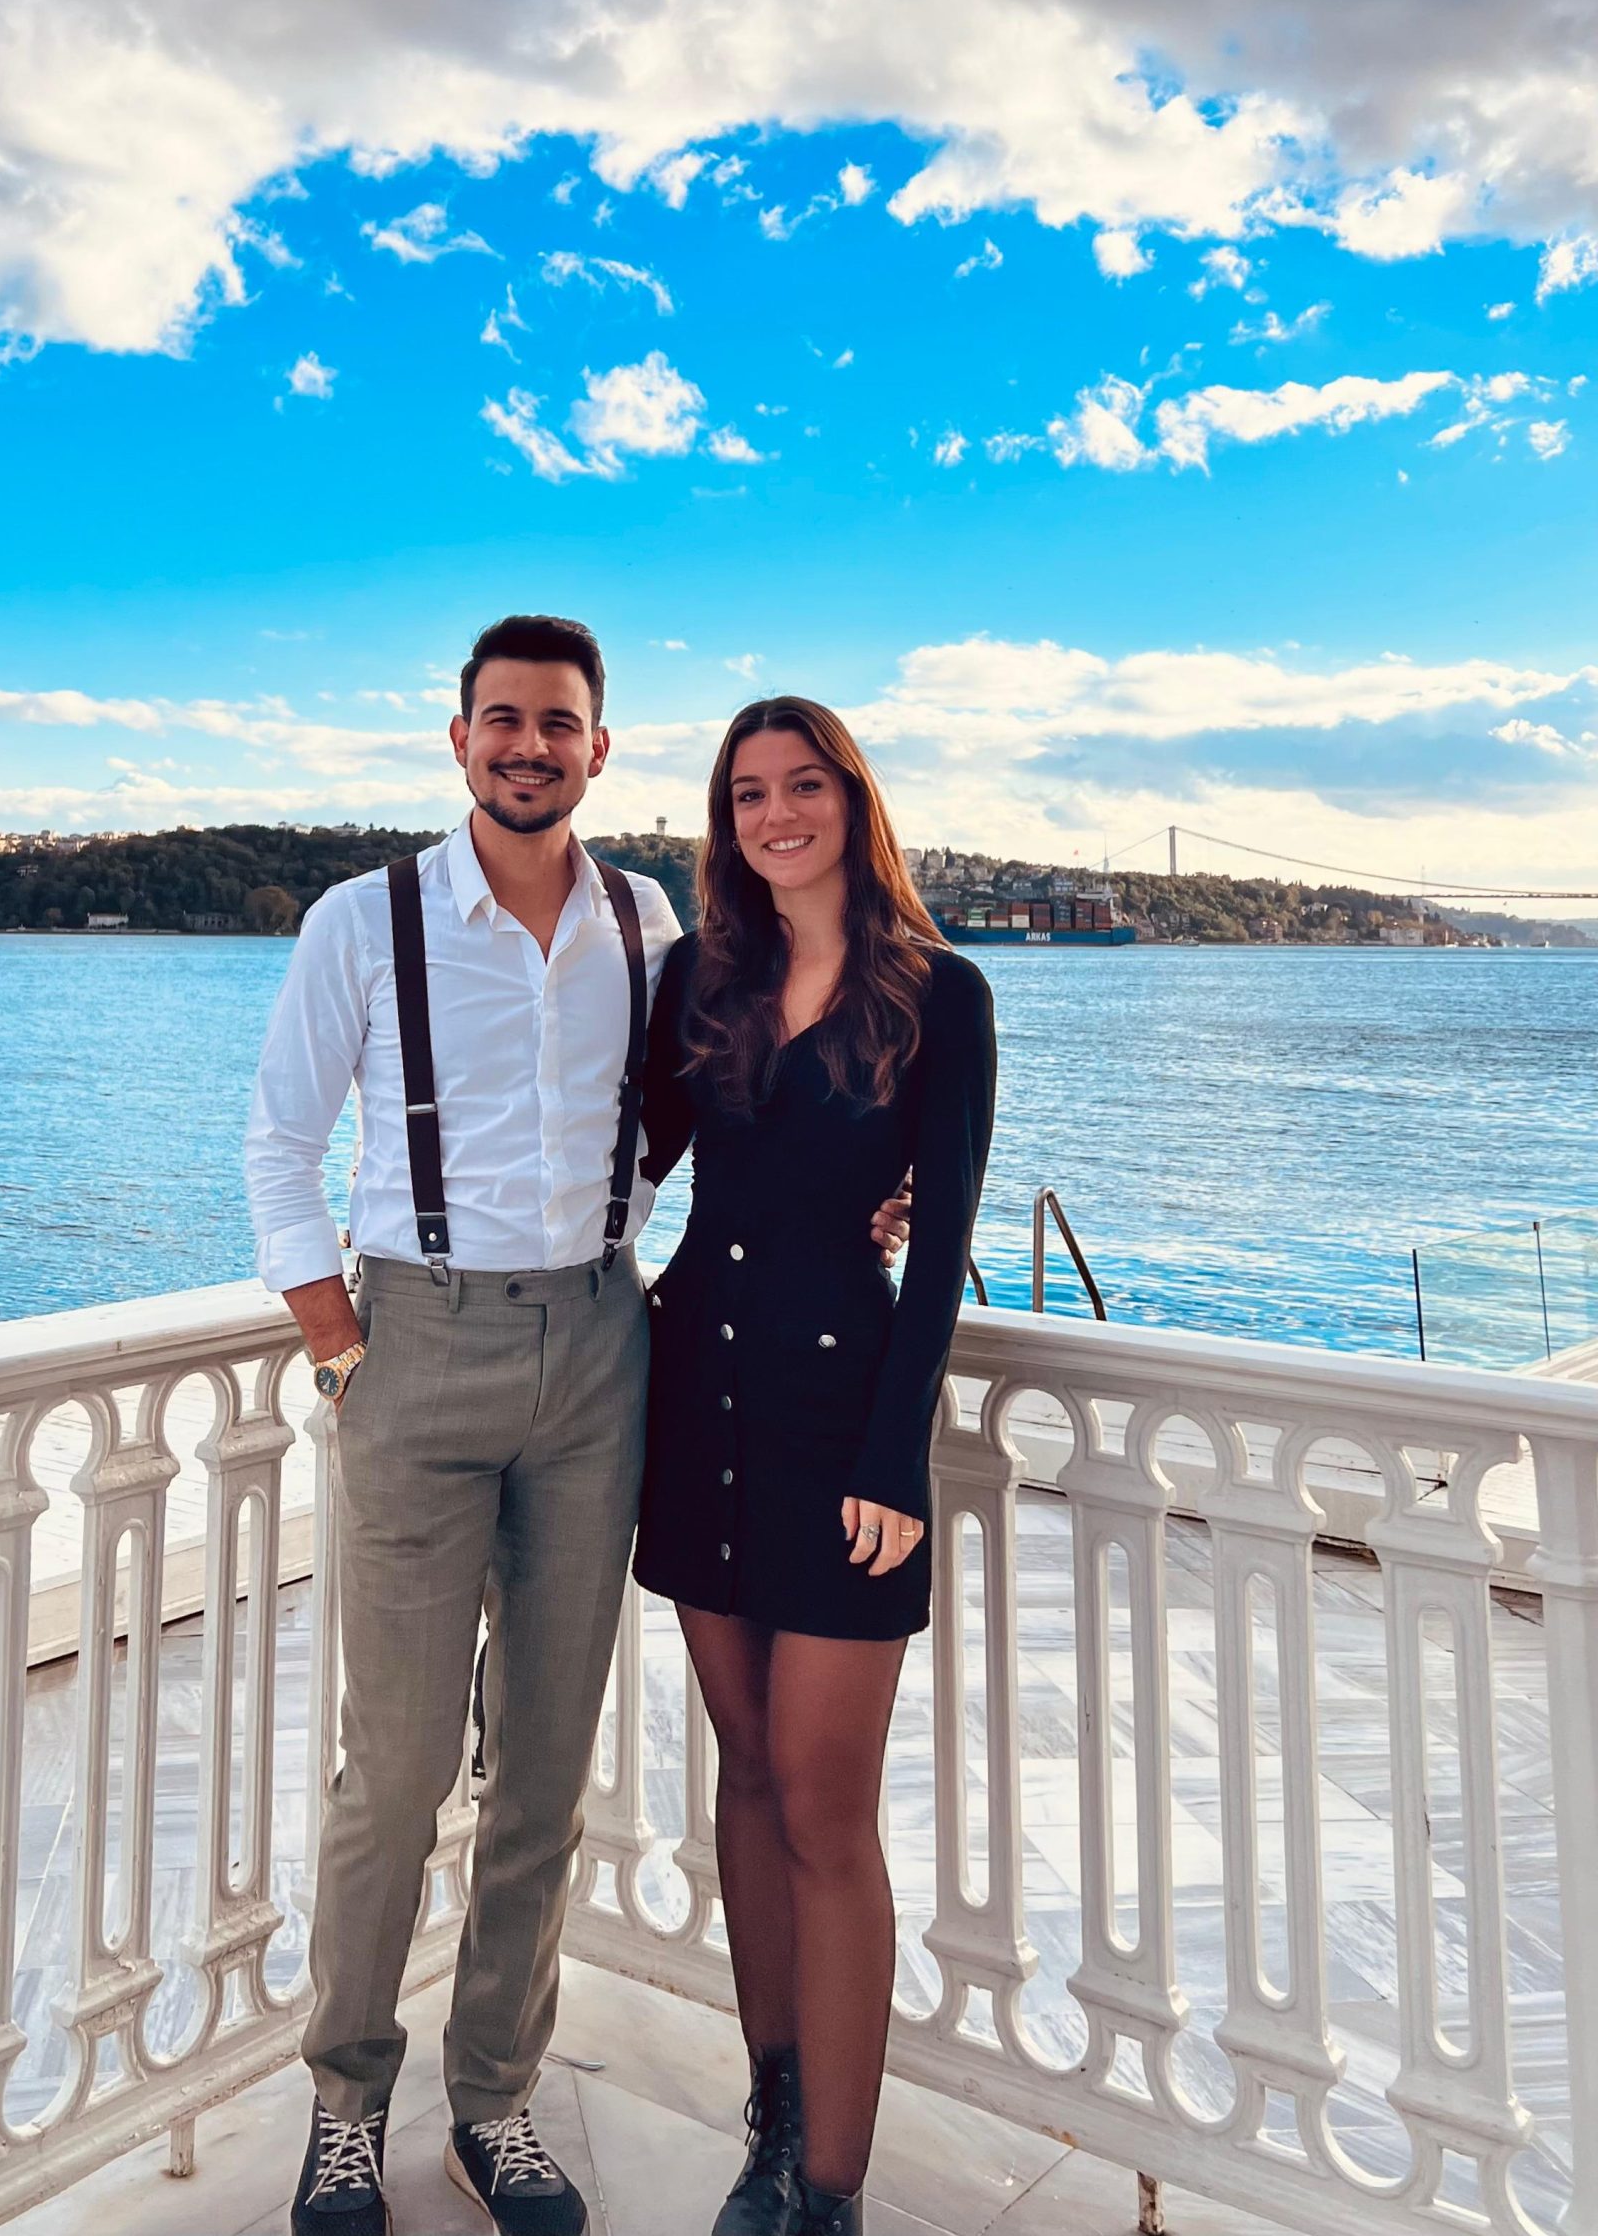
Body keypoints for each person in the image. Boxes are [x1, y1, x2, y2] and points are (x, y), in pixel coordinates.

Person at [245, 618, 907, 2236]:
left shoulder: (646, 920)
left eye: (559, 723)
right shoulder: (364, 919)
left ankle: (495, 2099)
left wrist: (861, 1190)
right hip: (417, 1343)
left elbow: (709, 1114)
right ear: (459, 738)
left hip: (604, 1347)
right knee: (395, 1770)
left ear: (598, 750)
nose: (529, 745)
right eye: (504, 719)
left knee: (544, 1769)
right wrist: (340, 1346)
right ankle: (347, 2105)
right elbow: (278, 1142)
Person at [634, 697, 996, 2236]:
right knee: (747, 1768)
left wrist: (894, 1462)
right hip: (694, 1401)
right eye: (747, 793)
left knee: (824, 1804)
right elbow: (624, 1154)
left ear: (852, 800)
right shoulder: (696, 978)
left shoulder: (940, 992)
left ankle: (832, 2189)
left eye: (802, 787)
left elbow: (944, 1244)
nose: (776, 815)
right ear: (725, 819)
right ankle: (772, 2125)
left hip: (842, 1425)